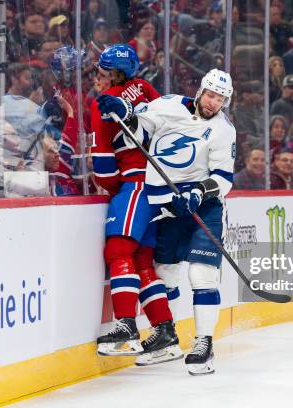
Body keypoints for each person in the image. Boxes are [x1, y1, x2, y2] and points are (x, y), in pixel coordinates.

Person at [98, 68, 236, 375]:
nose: (214, 103)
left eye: (221, 100)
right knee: (164, 273)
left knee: (202, 275)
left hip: (204, 208)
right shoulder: (170, 104)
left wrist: (199, 193)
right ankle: (165, 337)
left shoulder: (224, 130)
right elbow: (139, 129)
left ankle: (204, 344)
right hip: (168, 206)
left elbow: (224, 178)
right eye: (211, 95)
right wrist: (124, 112)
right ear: (202, 91)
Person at [90, 44, 180, 365]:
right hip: (159, 187)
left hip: (136, 184)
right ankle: (165, 334)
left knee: (117, 252)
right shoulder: (147, 89)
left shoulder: (102, 104)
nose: (96, 78)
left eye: (101, 72)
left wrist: (119, 189)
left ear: (114, 73)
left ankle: (126, 328)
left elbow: (103, 166)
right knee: (142, 262)